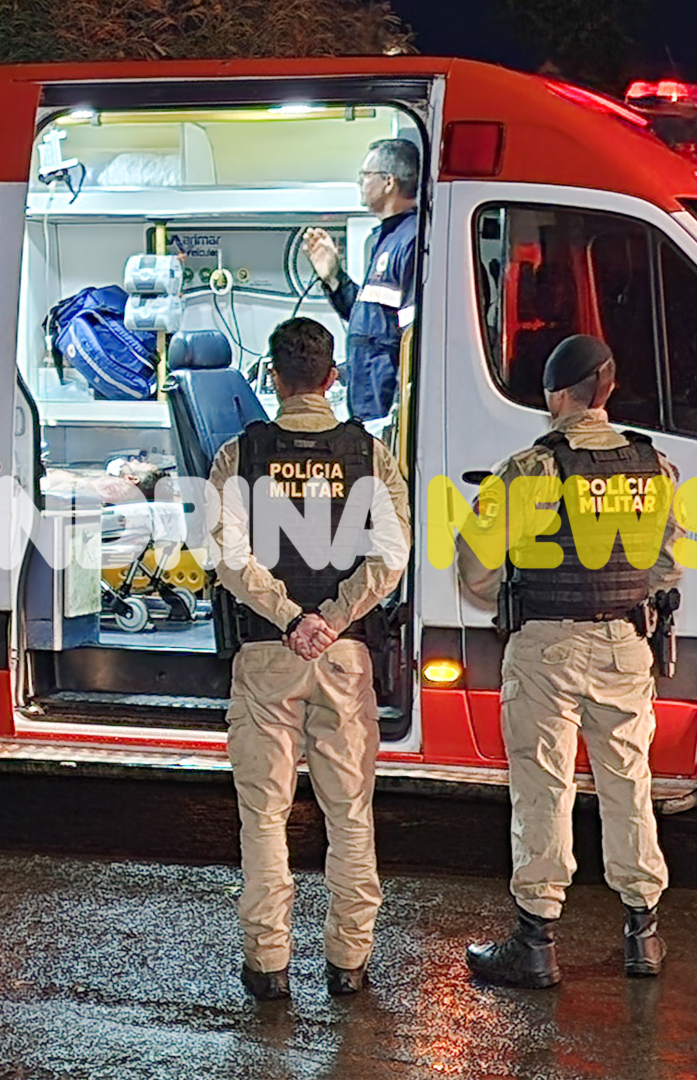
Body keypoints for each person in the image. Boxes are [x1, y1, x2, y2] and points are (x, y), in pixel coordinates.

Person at [457, 334, 681, 989]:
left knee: (542, 787)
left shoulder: (535, 468)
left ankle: (535, 943)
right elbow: (667, 567)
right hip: (624, 645)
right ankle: (643, 935)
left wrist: (507, 592)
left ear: (558, 395)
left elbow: (475, 564)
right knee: (628, 783)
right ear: (605, 392)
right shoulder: (653, 465)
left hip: (548, 646)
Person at [209, 317, 410, 1000]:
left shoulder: (242, 454)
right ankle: (349, 963)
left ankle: (268, 967)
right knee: (349, 812)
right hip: (344, 654)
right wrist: (331, 617)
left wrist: (291, 617)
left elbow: (229, 558)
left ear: (273, 377)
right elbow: (391, 557)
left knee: (263, 816)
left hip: (269, 653)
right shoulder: (370, 454)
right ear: (331, 378)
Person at [302, 138, 419, 422]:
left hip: (389, 410)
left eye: (365, 176)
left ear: (388, 182)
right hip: (367, 404)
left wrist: (399, 413)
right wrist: (333, 277)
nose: (359, 183)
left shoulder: (413, 240)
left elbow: (414, 338)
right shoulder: (385, 238)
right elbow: (368, 319)